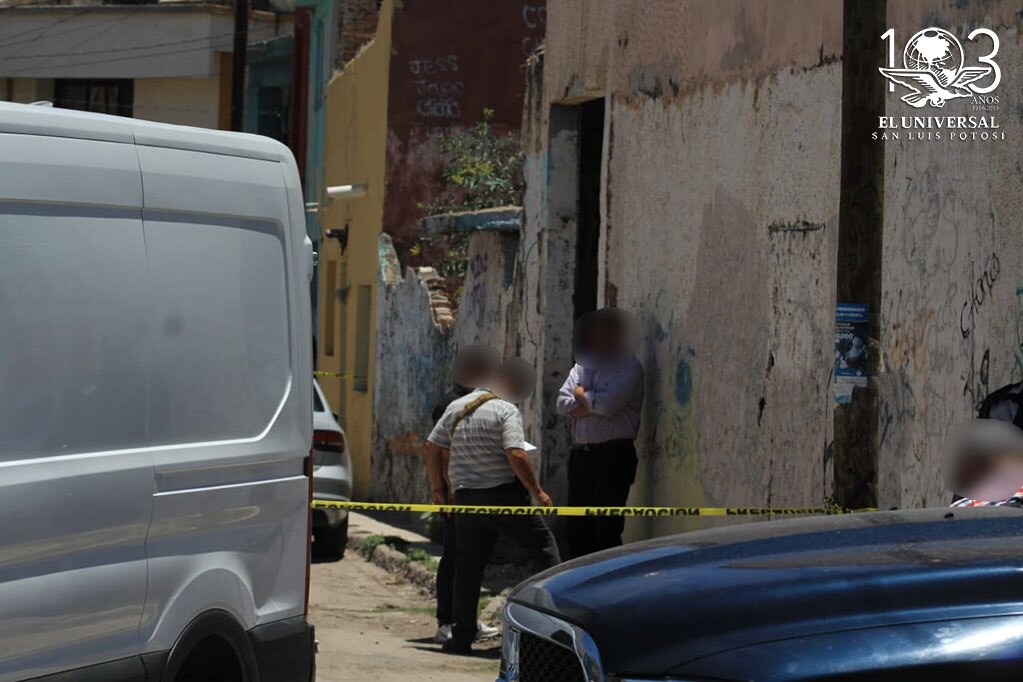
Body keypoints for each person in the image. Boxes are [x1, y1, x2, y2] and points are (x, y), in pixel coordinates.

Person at [426, 357, 561, 655]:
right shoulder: (504, 408)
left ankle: (461, 637)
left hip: (465, 500)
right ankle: (558, 627)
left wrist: (438, 489)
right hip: (503, 497)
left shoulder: (457, 406)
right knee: (545, 552)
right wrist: (536, 490)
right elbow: (515, 452)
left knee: (468, 566)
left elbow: (432, 447)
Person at [424, 346, 500, 645]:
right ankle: (447, 621)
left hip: (469, 490)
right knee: (455, 556)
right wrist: (446, 492)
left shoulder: (471, 400)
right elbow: (442, 451)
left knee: (468, 557)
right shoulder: (452, 404)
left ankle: (464, 618)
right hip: (458, 493)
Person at [557, 308, 644, 558]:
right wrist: (591, 405)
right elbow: (561, 403)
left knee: (606, 527)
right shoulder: (583, 366)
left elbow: (610, 406)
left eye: (603, 331)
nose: (597, 337)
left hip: (613, 456)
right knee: (578, 524)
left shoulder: (629, 367)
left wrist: (583, 397)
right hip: (583, 456)